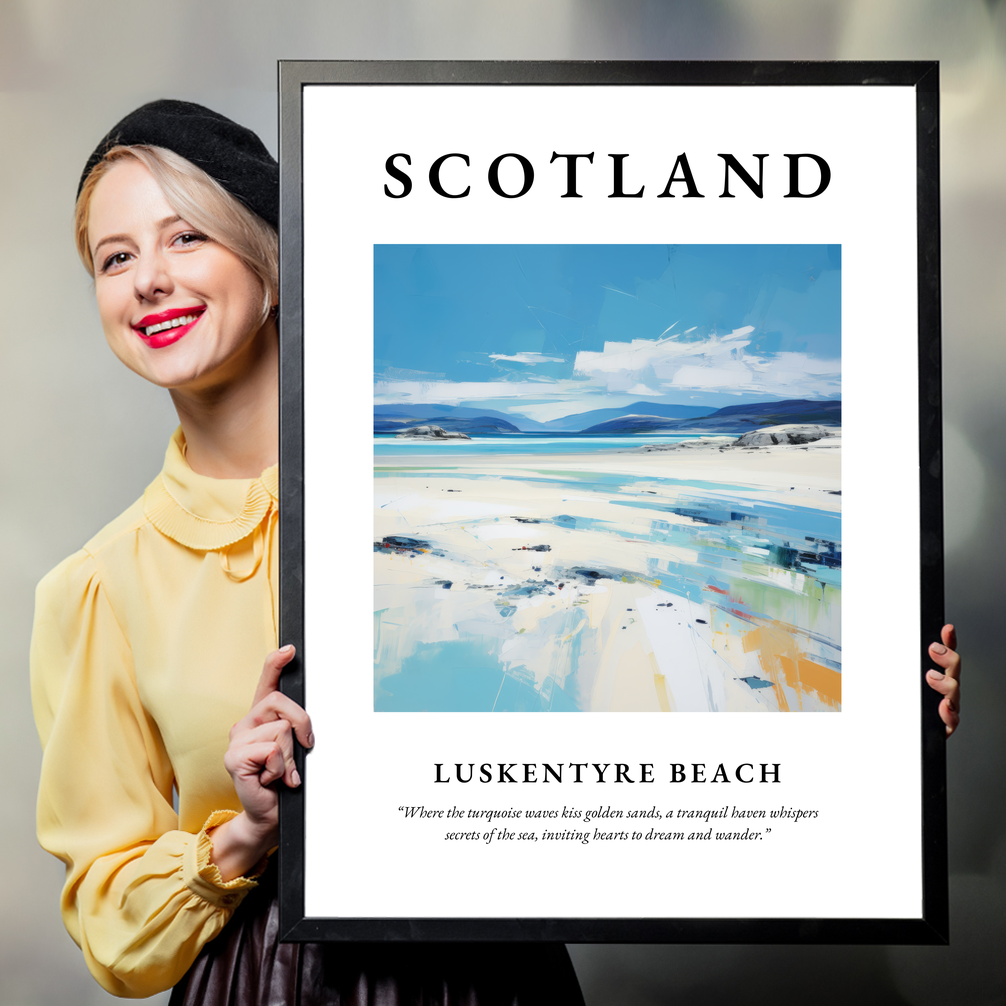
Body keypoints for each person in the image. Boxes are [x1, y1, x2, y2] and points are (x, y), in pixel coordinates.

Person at [30, 100, 585, 1004]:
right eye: (116, 257)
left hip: (493, 973)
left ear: (273, 264)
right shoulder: (97, 587)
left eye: (186, 239)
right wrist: (245, 832)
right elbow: (110, 924)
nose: (148, 281)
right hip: (263, 982)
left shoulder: (451, 500)